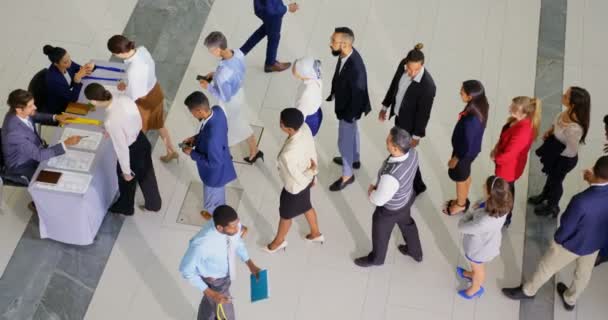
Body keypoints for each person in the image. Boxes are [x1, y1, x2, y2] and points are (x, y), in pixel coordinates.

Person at [502, 156, 608, 311]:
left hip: (572, 244)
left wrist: (557, 241)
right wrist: (594, 181)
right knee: (583, 274)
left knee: (546, 266)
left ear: (595, 171)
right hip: (596, 242)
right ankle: (570, 299)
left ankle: (528, 291)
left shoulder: (581, 201)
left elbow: (567, 224)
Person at [84, 83, 161, 216]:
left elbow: (122, 148)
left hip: (132, 150)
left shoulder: (111, 120)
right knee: (147, 174)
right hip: (141, 140)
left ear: (93, 101)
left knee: (126, 181)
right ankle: (154, 204)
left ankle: (126, 207)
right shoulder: (122, 97)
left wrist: (126, 171)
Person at [354, 127, 422, 267]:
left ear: (396, 148)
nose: (386, 142)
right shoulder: (413, 153)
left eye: (388, 141)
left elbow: (378, 200)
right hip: (406, 199)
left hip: (389, 211)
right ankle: (416, 252)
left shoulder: (391, 176)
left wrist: (371, 191)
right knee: (407, 224)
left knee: (380, 234)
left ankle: (377, 259)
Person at [180, 205, 262, 320]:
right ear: (219, 228)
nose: (238, 229)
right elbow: (186, 270)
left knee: (210, 303)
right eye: (233, 227)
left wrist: (250, 264)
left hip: (226, 273)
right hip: (216, 281)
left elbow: (237, 242)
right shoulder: (201, 244)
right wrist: (212, 293)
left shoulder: (234, 226)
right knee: (226, 314)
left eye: (237, 223)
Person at [107, 35, 178, 163]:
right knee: (159, 124)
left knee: (138, 132)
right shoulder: (142, 49)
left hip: (143, 102)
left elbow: (132, 96)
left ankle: (138, 161)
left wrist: (121, 94)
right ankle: (171, 151)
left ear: (119, 53)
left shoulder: (133, 70)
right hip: (155, 91)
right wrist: (127, 82)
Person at [379, 43, 437, 196]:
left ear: (422, 65)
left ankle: (417, 185)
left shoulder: (428, 87)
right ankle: (410, 180)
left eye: (415, 69)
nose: (411, 73)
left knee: (406, 154)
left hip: (410, 127)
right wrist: (385, 106)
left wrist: (417, 136)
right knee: (403, 153)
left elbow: (424, 114)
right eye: (409, 68)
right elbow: (394, 86)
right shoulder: (403, 65)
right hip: (399, 118)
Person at [264, 108, 322, 253]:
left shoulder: (287, 155)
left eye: (281, 123)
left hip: (294, 188)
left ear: (288, 128)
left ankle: (278, 242)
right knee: (307, 205)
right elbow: (312, 150)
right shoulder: (305, 127)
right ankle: (315, 234)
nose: (279, 123)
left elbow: (297, 177)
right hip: (307, 177)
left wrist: (310, 174)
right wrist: (313, 174)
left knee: (285, 216)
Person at [199, 31, 263, 163]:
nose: (210, 53)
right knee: (238, 123)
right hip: (239, 92)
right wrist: (215, 74)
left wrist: (209, 87)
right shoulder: (237, 53)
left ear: (217, 50)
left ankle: (229, 153)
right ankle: (253, 150)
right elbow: (233, 70)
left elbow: (224, 98)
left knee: (229, 126)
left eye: (210, 50)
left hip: (230, 102)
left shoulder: (223, 75)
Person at [529, 87, 590, 218]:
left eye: (566, 96)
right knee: (550, 177)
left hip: (564, 158)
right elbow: (557, 124)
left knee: (556, 182)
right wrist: (551, 132)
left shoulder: (574, 128)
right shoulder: (568, 111)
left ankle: (552, 206)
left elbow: (571, 150)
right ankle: (544, 195)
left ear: (573, 104)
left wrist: (555, 156)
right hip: (556, 148)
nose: (563, 95)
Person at [327, 27, 371, 191]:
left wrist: (347, 117)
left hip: (349, 111)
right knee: (353, 132)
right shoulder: (346, 53)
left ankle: (347, 175)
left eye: (333, 41)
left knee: (343, 141)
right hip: (348, 107)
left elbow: (358, 96)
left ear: (344, 44)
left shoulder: (356, 69)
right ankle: (355, 159)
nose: (330, 44)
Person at [1, 89, 79, 182]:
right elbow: (39, 155)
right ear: (18, 109)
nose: (35, 107)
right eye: (30, 106)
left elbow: (34, 115)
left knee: (69, 160)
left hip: (35, 150)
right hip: (24, 165)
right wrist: (65, 144)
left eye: (33, 104)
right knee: (60, 179)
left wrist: (56, 117)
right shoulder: (14, 134)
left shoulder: (17, 112)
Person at [182, 91, 237, 221]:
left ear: (199, 111)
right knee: (218, 195)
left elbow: (214, 163)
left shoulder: (213, 138)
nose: (192, 115)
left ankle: (217, 217)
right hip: (223, 163)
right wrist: (195, 139)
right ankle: (220, 211)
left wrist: (192, 153)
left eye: (192, 112)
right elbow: (219, 131)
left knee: (211, 201)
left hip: (214, 175)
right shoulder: (217, 111)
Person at [456, 176, 512, 299]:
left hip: (479, 249)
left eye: (485, 186)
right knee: (476, 266)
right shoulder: (503, 203)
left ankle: (475, 289)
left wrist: (470, 212)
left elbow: (461, 226)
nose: (482, 186)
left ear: (490, 193)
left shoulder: (485, 221)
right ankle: (472, 274)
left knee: (478, 268)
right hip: (488, 240)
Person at [491, 96, 541, 227]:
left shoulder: (523, 131)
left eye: (514, 108)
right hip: (506, 164)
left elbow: (510, 154)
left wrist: (496, 158)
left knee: (505, 191)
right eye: (511, 105)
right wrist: (496, 147)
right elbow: (504, 136)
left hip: (508, 168)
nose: (509, 108)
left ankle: (505, 216)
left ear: (524, 112)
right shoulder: (516, 121)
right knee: (507, 188)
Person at [443, 80, 488, 215]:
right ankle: (462, 198)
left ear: (470, 97)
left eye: (462, 92)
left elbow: (466, 144)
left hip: (463, 154)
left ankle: (460, 204)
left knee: (460, 179)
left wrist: (456, 158)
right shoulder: (481, 105)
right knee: (465, 175)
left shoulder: (471, 120)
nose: (459, 93)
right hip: (470, 152)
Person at [240, 0, 299, 72]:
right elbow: (272, 10)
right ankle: (270, 64)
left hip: (262, 7)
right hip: (272, 12)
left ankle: (240, 52)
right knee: (274, 38)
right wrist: (287, 8)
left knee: (265, 29)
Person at [43, 45, 94, 114]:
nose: (70, 62)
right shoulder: (54, 80)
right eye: (65, 62)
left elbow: (78, 68)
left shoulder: (67, 62)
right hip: (61, 105)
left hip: (69, 93)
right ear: (56, 64)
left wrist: (86, 68)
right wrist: (77, 82)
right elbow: (73, 99)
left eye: (69, 58)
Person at [292, 57, 323, 136]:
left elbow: (299, 119)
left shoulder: (305, 96)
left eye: (296, 69)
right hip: (317, 112)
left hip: (309, 121)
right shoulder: (315, 76)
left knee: (305, 138)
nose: (293, 68)